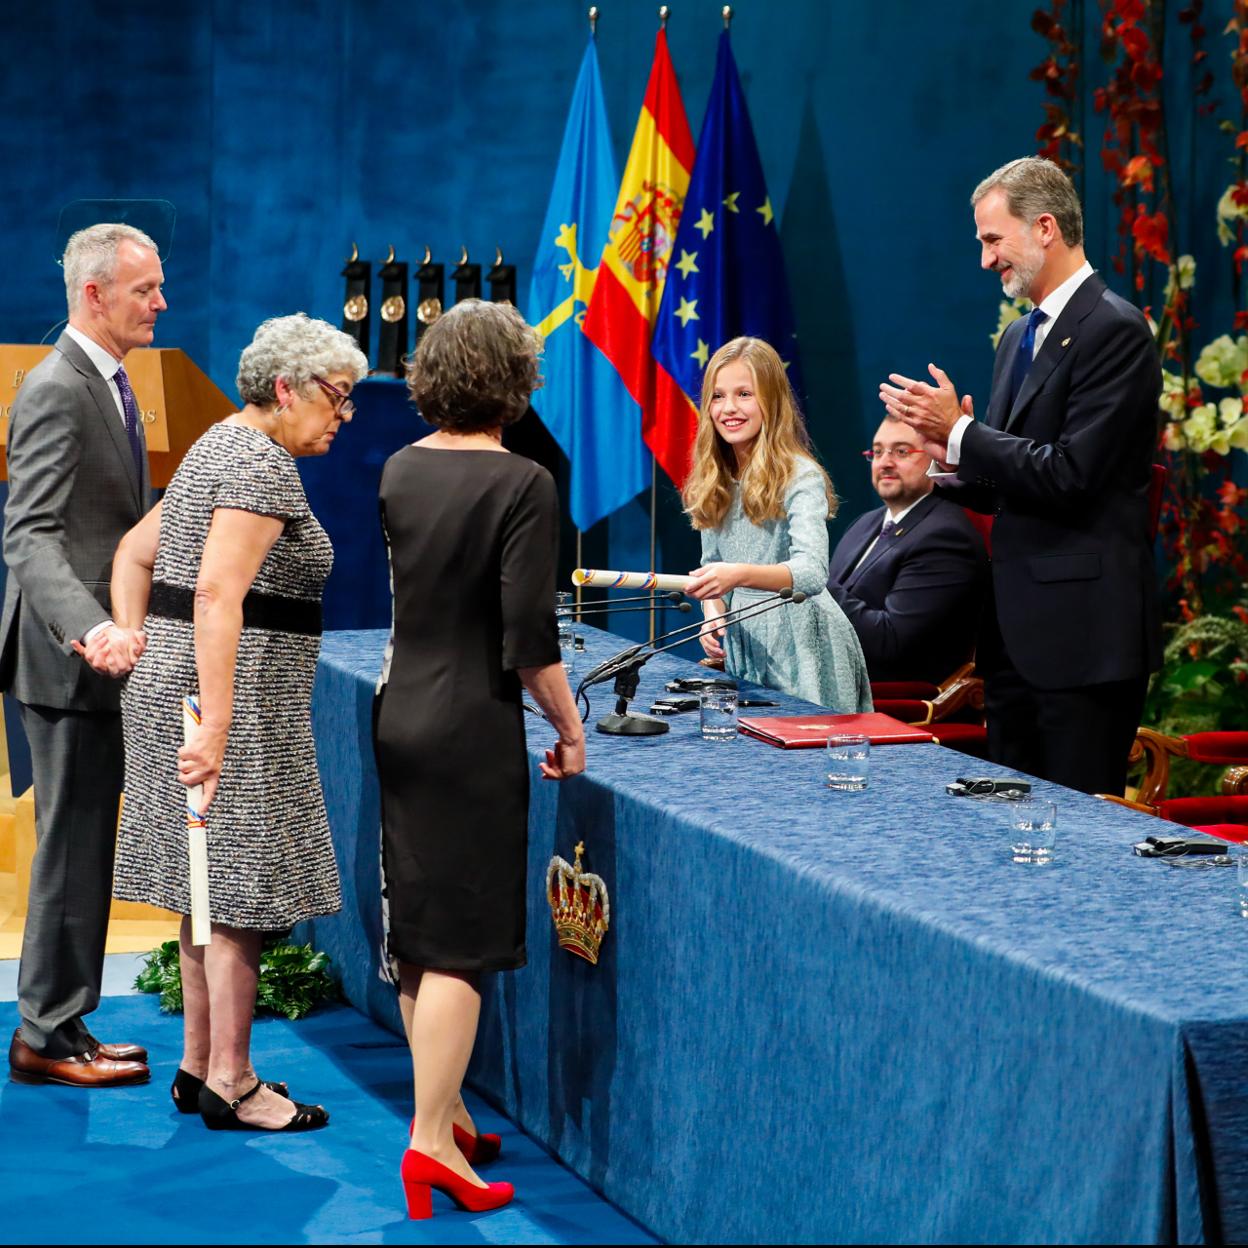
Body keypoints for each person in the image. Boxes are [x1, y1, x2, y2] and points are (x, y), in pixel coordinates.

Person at [107, 313, 367, 1129]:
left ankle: (195, 1068)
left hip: (187, 689)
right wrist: (214, 723)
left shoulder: (216, 446)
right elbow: (219, 593)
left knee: (206, 885)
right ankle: (234, 1080)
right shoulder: (258, 463)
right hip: (233, 702)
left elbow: (134, 554)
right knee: (242, 892)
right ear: (285, 388)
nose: (345, 414)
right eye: (336, 395)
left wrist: (141, 642)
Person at [373, 299, 585, 1219]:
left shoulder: (397, 468)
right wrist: (571, 730)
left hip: (400, 713)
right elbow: (530, 642)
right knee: (461, 942)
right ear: (514, 378)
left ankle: (448, 1110)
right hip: (470, 725)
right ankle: (429, 1147)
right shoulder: (523, 483)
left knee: (421, 930)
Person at [881, 156, 1162, 794]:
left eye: (992, 239)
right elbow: (1013, 482)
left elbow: (1071, 475)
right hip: (1012, 644)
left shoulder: (1116, 330)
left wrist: (963, 431)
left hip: (1084, 644)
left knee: (1077, 842)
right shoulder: (1018, 338)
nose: (985, 260)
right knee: (1010, 838)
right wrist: (949, 453)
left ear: (1043, 228)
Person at [3, 223, 165, 1088]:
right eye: (145, 289)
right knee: (70, 847)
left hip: (97, 655)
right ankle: (43, 1034)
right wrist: (91, 625)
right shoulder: (57, 389)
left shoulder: (106, 382)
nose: (161, 302)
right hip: (69, 660)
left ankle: (68, 1022)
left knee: (86, 842)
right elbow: (26, 539)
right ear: (93, 295)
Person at [683, 336, 871, 711]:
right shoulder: (712, 478)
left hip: (803, 645)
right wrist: (712, 614)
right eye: (718, 396)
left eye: (744, 394)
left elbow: (811, 572)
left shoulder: (801, 476)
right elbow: (712, 570)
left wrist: (735, 575)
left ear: (771, 400)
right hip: (747, 640)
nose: (729, 408)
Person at [826, 414, 988, 684]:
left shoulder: (946, 536)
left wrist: (814, 583)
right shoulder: (865, 523)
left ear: (936, 457)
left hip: (896, 701)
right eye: (877, 452)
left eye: (901, 451)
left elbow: (891, 642)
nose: (885, 462)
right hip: (839, 684)